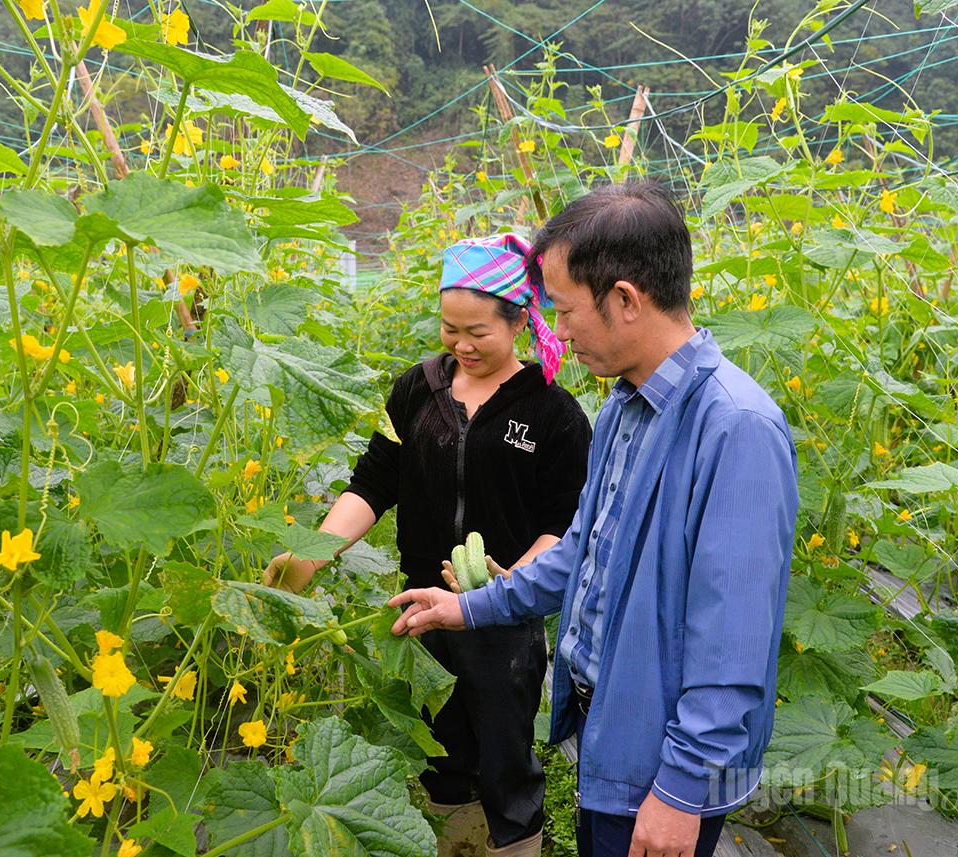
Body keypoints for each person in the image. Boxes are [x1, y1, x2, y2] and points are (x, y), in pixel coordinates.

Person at [386, 181, 800, 857]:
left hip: (662, 774)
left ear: (626, 300)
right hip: (611, 736)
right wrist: (472, 607)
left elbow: (734, 645)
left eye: (565, 310)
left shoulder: (736, 429)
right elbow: (583, 550)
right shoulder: (624, 409)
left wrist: (680, 792)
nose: (556, 329)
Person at [265, 233, 592, 857]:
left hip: (504, 615)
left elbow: (564, 522)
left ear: (520, 320)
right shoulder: (417, 389)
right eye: (450, 329)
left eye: (478, 332)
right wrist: (311, 554)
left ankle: (514, 845)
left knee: (505, 757)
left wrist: (509, 582)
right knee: (441, 752)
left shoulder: (553, 414)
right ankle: (457, 843)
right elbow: (373, 483)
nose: (462, 345)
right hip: (420, 606)